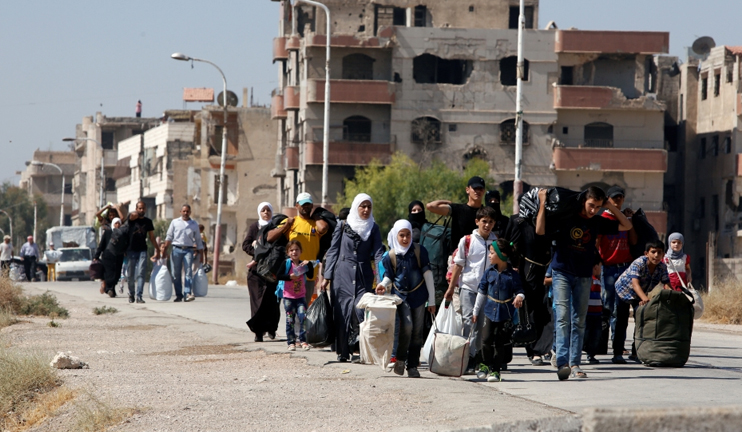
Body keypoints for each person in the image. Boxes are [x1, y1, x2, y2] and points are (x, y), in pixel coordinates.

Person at [535, 186, 632, 380]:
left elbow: (626, 226)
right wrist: (543, 202)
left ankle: (575, 363)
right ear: (582, 201)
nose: (593, 210)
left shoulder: (597, 222)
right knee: (563, 317)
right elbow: (540, 230)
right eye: (590, 205)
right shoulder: (566, 216)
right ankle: (563, 363)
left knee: (579, 321)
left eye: (597, 206)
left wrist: (610, 207)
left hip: (584, 275)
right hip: (562, 272)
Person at [322, 193, 384, 362]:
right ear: (356, 207)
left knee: (360, 311)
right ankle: (343, 352)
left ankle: (360, 349)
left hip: (363, 275)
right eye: (362, 206)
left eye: (368, 207)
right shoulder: (343, 225)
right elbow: (333, 251)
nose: (365, 210)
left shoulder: (373, 227)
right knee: (341, 313)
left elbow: (379, 254)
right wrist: (327, 276)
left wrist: (381, 279)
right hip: (341, 274)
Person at [376, 220, 436, 378]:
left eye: (408, 235)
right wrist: (382, 284)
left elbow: (428, 276)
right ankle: (400, 358)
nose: (405, 239)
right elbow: (389, 276)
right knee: (407, 326)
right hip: (400, 297)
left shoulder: (419, 251)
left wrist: (432, 300)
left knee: (417, 332)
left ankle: (412, 365)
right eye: (401, 235)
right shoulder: (390, 256)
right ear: (396, 236)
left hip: (419, 296)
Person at [443, 206, 499, 374]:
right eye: (484, 221)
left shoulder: (496, 243)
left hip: (487, 292)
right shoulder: (467, 241)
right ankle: (467, 358)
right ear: (477, 222)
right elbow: (458, 266)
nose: (487, 225)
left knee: (483, 325)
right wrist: (451, 288)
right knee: (469, 322)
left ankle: (478, 359)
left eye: (490, 222)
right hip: (468, 288)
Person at [472, 238, 524, 382]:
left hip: (505, 313)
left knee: (500, 343)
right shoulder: (489, 272)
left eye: (492, 253)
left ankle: (496, 371)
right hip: (489, 311)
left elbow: (520, 290)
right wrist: (476, 311)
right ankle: (485, 365)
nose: (489, 255)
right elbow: (482, 292)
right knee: (486, 339)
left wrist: (520, 296)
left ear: (502, 255)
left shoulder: (512, 275)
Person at [504, 211, 552, 366]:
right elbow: (512, 245)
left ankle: (546, 348)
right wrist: (515, 268)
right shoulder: (519, 221)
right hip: (528, 271)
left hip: (549, 270)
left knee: (547, 310)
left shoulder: (551, 219)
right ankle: (534, 351)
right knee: (531, 310)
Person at [613, 240, 672, 363]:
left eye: (659, 253)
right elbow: (635, 284)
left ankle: (636, 353)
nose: (656, 255)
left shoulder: (662, 267)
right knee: (621, 321)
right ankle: (617, 353)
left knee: (641, 321)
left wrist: (673, 297)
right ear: (646, 253)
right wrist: (644, 299)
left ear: (663, 254)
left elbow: (667, 284)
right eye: (653, 252)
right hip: (624, 291)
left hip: (640, 295)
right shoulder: (639, 263)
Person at [596, 186, 637, 353]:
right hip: (609, 267)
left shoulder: (625, 220)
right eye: (615, 198)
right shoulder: (603, 219)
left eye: (621, 197)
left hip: (625, 268)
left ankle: (618, 344)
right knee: (608, 306)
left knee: (621, 308)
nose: (618, 201)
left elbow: (633, 240)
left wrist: (631, 220)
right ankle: (601, 344)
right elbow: (596, 243)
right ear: (608, 200)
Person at [268, 193, 328, 305]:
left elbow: (323, 228)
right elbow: (270, 237)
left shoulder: (316, 224)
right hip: (292, 275)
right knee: (292, 309)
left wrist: (316, 216)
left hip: (308, 274)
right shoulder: (291, 222)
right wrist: (286, 226)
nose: (306, 207)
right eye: (303, 204)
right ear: (296, 205)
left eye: (308, 204)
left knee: (304, 309)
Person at [243, 202, 280, 342]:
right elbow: (245, 245)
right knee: (257, 301)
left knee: (272, 302)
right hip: (256, 272)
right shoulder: (255, 227)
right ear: (259, 212)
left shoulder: (275, 227)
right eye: (263, 210)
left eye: (268, 210)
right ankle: (258, 332)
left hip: (272, 270)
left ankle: (271, 329)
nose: (266, 212)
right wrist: (258, 254)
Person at [427, 176, 486, 253]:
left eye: (480, 189)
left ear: (484, 191)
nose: (478, 191)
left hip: (478, 256)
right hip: (457, 256)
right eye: (475, 188)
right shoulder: (458, 209)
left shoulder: (486, 212)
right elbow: (430, 206)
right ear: (467, 190)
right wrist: (447, 202)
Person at [277, 240, 315, 351]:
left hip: (301, 297)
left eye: (296, 250)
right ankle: (291, 342)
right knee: (290, 320)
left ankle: (303, 341)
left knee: (302, 318)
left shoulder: (303, 264)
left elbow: (311, 274)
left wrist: (310, 265)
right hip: (288, 297)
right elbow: (278, 276)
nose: (294, 252)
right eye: (291, 250)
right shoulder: (286, 263)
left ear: (301, 251)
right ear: (288, 252)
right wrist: (289, 277)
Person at [164, 204, 204, 303]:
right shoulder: (175, 222)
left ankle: (187, 294)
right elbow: (169, 237)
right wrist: (164, 250)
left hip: (189, 251)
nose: (185, 213)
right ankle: (178, 295)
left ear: (190, 212)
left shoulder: (194, 224)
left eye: (187, 211)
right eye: (184, 211)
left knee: (188, 272)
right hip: (176, 249)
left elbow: (198, 241)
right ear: (180, 211)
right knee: (176, 274)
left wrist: (201, 255)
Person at [126, 201, 159, 304]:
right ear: (136, 208)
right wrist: (135, 214)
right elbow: (131, 216)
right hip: (131, 250)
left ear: (145, 209)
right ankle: (131, 293)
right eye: (139, 208)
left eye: (143, 208)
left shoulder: (148, 222)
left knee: (141, 273)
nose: (141, 210)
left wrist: (157, 249)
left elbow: (152, 237)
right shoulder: (132, 220)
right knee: (131, 275)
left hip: (142, 250)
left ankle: (139, 296)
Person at [98, 217, 124, 297]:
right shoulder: (108, 232)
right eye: (116, 223)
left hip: (119, 256)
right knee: (110, 274)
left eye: (119, 223)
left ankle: (111, 289)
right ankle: (109, 289)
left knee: (117, 274)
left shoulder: (123, 233)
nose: (117, 225)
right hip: (108, 256)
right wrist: (96, 255)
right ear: (113, 224)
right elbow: (102, 244)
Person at [584, 262, 604, 365]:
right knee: (586, 335)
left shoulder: (598, 281)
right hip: (587, 313)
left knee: (595, 335)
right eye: (600, 266)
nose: (601, 268)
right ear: (595, 267)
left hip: (597, 313)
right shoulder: (588, 280)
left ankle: (591, 355)